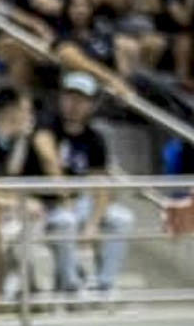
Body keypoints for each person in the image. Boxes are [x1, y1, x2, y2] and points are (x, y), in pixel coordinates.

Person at [32, 72, 134, 300]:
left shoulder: (94, 138)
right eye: (69, 97)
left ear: (91, 104)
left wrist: (93, 224)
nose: (74, 104)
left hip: (77, 201)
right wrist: (66, 200)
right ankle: (70, 286)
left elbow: (101, 183)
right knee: (67, 221)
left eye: (81, 99)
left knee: (121, 218)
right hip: (44, 202)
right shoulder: (46, 124)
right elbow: (50, 161)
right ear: (61, 98)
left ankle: (104, 285)